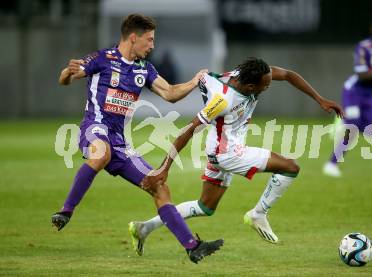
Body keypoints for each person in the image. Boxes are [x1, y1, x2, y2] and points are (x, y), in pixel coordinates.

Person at [127, 57, 343, 256]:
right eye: (265, 85)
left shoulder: (244, 75)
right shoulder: (223, 100)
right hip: (227, 153)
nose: (267, 87)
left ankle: (144, 227)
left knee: (205, 207)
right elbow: (188, 130)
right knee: (290, 167)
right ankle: (259, 214)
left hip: (220, 147)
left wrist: (319, 99)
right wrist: (165, 168)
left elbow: (286, 75)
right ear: (250, 86)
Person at [52, 14, 223, 263]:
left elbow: (170, 94)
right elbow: (65, 79)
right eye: (150, 39)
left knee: (158, 185)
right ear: (134, 37)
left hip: (120, 143)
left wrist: (194, 81)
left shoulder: (145, 69)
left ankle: (193, 246)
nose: (153, 45)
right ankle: (65, 211)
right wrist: (68, 72)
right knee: (101, 152)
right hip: (95, 129)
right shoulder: (102, 59)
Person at [323, 16, 372, 178]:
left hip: (369, 95)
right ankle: (331, 164)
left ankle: (345, 121)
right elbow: (362, 75)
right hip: (353, 92)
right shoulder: (364, 47)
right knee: (352, 130)